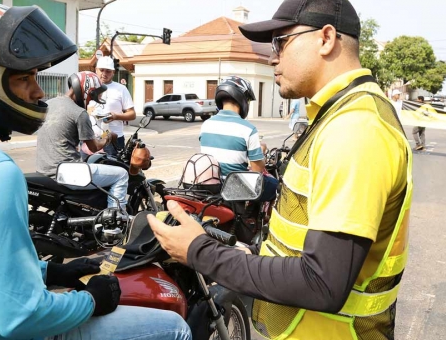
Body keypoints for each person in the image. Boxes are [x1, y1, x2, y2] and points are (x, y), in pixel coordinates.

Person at [0, 3, 191, 340]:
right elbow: (21, 316)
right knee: (173, 327)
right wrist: (92, 300)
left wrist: (50, 271)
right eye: (24, 78)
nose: (39, 92)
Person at [147, 0, 413, 339]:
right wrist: (251, 253)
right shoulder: (338, 114)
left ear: (326, 38)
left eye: (281, 42)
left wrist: (199, 251)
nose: (273, 56)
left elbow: (322, 283)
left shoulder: (355, 129)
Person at [36, 71, 129, 210]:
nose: (90, 101)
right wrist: (109, 136)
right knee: (122, 175)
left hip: (43, 170)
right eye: (92, 96)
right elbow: (94, 147)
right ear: (86, 91)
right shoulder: (79, 113)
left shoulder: (49, 104)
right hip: (67, 173)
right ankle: (115, 221)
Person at [199, 76, 279, 202]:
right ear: (242, 99)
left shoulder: (206, 125)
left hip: (211, 184)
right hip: (235, 188)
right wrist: (261, 151)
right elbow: (257, 170)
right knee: (276, 186)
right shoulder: (248, 129)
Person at [94, 56, 136, 156]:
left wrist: (115, 116)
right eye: (101, 70)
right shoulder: (89, 86)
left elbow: (132, 114)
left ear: (113, 72)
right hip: (91, 138)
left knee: (113, 169)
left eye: (108, 71)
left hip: (113, 139)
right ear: (96, 70)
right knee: (87, 169)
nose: (104, 74)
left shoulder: (121, 89)